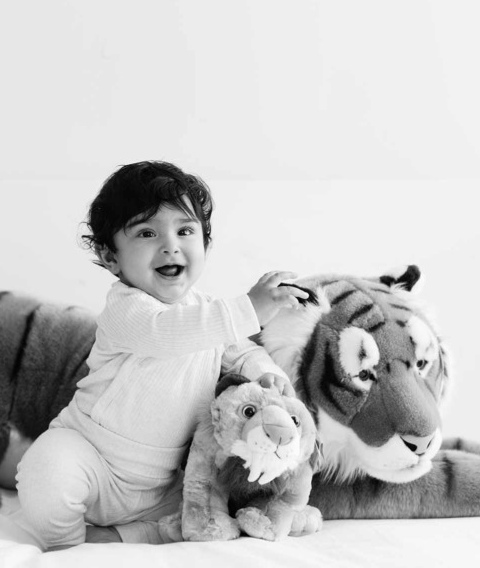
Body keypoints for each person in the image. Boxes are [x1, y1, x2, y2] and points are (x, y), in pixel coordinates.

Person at [15, 160, 299, 549]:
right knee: (46, 472)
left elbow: (240, 352)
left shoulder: (207, 312)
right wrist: (248, 308)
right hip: (92, 458)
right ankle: (65, 544)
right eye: (147, 232)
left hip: (165, 479)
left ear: (205, 244)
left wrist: (267, 376)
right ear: (110, 256)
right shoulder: (127, 309)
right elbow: (165, 335)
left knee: (197, 508)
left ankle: (120, 537)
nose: (170, 245)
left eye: (185, 230)